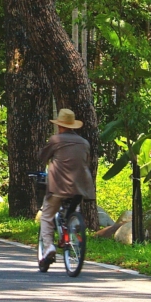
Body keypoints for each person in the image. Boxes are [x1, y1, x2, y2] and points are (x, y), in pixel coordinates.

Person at [38, 108, 96, 264]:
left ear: (60, 125)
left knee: (47, 216)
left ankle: (49, 247)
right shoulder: (84, 143)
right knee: (73, 210)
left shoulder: (55, 140)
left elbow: (43, 157)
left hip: (58, 186)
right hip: (80, 187)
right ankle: (72, 231)